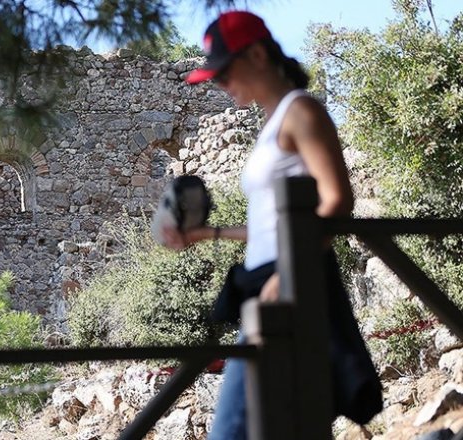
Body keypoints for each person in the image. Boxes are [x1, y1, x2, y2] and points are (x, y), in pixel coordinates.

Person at [161, 10, 381, 439]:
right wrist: (211, 234)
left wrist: (286, 275)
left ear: (258, 54)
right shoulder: (270, 124)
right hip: (269, 289)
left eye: (224, 74)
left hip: (288, 290)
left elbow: (337, 200)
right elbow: (277, 226)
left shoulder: (301, 111)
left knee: (232, 430)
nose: (221, 86)